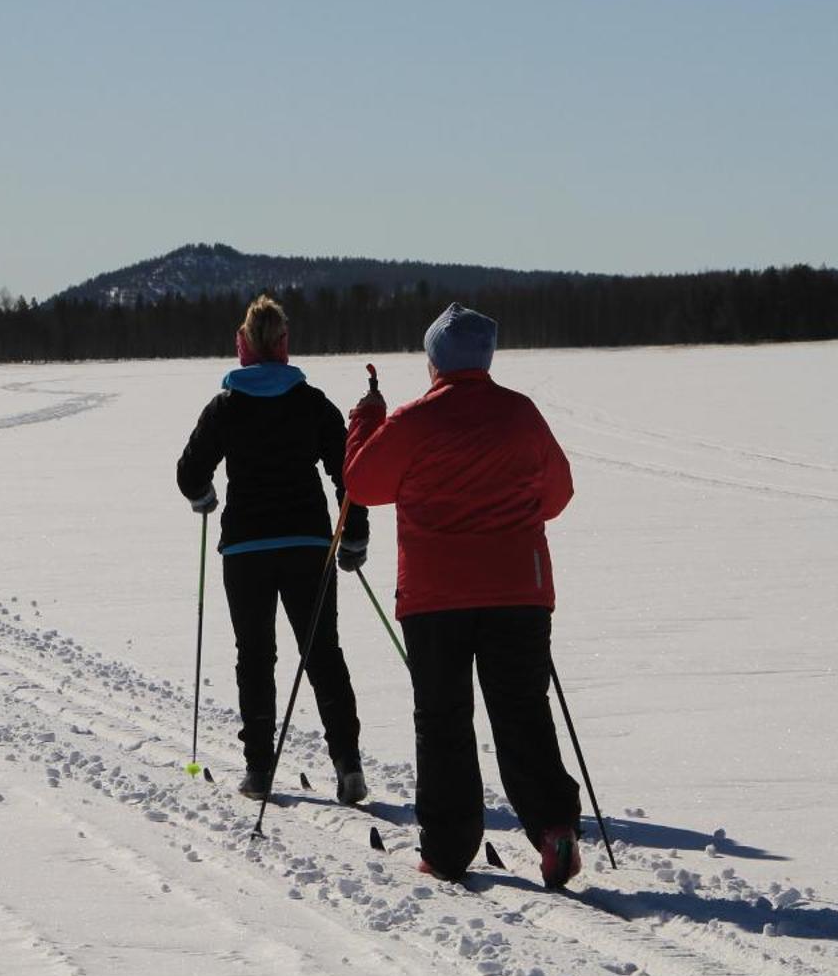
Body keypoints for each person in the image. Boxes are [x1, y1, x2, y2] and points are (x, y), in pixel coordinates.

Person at [343, 304, 583, 886]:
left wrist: (365, 421)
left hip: (436, 597)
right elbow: (558, 493)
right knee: (523, 711)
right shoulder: (521, 415)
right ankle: (554, 829)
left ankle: (448, 850)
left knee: (444, 718)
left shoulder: (415, 420)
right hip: (518, 593)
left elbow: (361, 484)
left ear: (434, 361)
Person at [176, 295, 370, 804]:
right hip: (308, 545)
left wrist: (204, 497)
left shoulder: (226, 406)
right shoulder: (311, 402)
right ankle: (348, 767)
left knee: (256, 657)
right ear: (283, 346)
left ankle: (259, 770)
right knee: (322, 653)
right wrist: (353, 536)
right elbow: (351, 475)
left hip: (246, 550)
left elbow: (189, 471)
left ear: (242, 346)